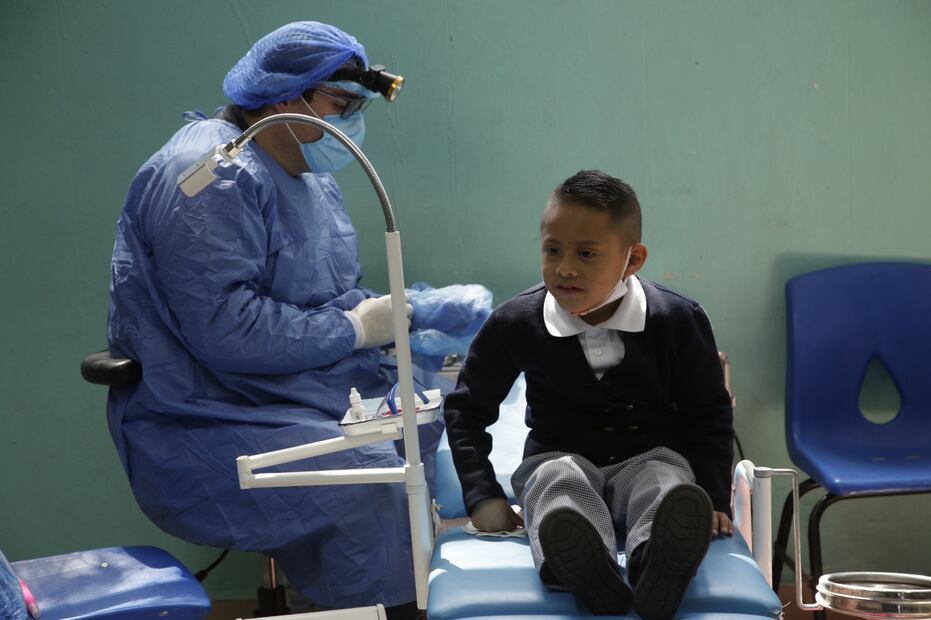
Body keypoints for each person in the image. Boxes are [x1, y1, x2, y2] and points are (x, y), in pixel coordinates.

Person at [107, 21, 460, 617]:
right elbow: (227, 329)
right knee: (379, 477)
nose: (348, 124)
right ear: (282, 96)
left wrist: (407, 315)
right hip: (203, 415)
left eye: (356, 108)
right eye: (340, 105)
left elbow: (324, 293)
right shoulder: (209, 176)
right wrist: (359, 328)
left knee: (436, 420)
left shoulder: (305, 175)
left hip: (287, 393)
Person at [443, 170, 735, 619]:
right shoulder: (515, 322)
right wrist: (483, 496)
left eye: (586, 253)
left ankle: (656, 564)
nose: (565, 268)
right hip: (558, 456)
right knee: (554, 482)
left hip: (649, 458)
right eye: (552, 250)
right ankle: (584, 568)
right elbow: (467, 408)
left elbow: (709, 414)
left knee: (666, 481)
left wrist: (715, 498)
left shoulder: (676, 319)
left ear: (632, 259)